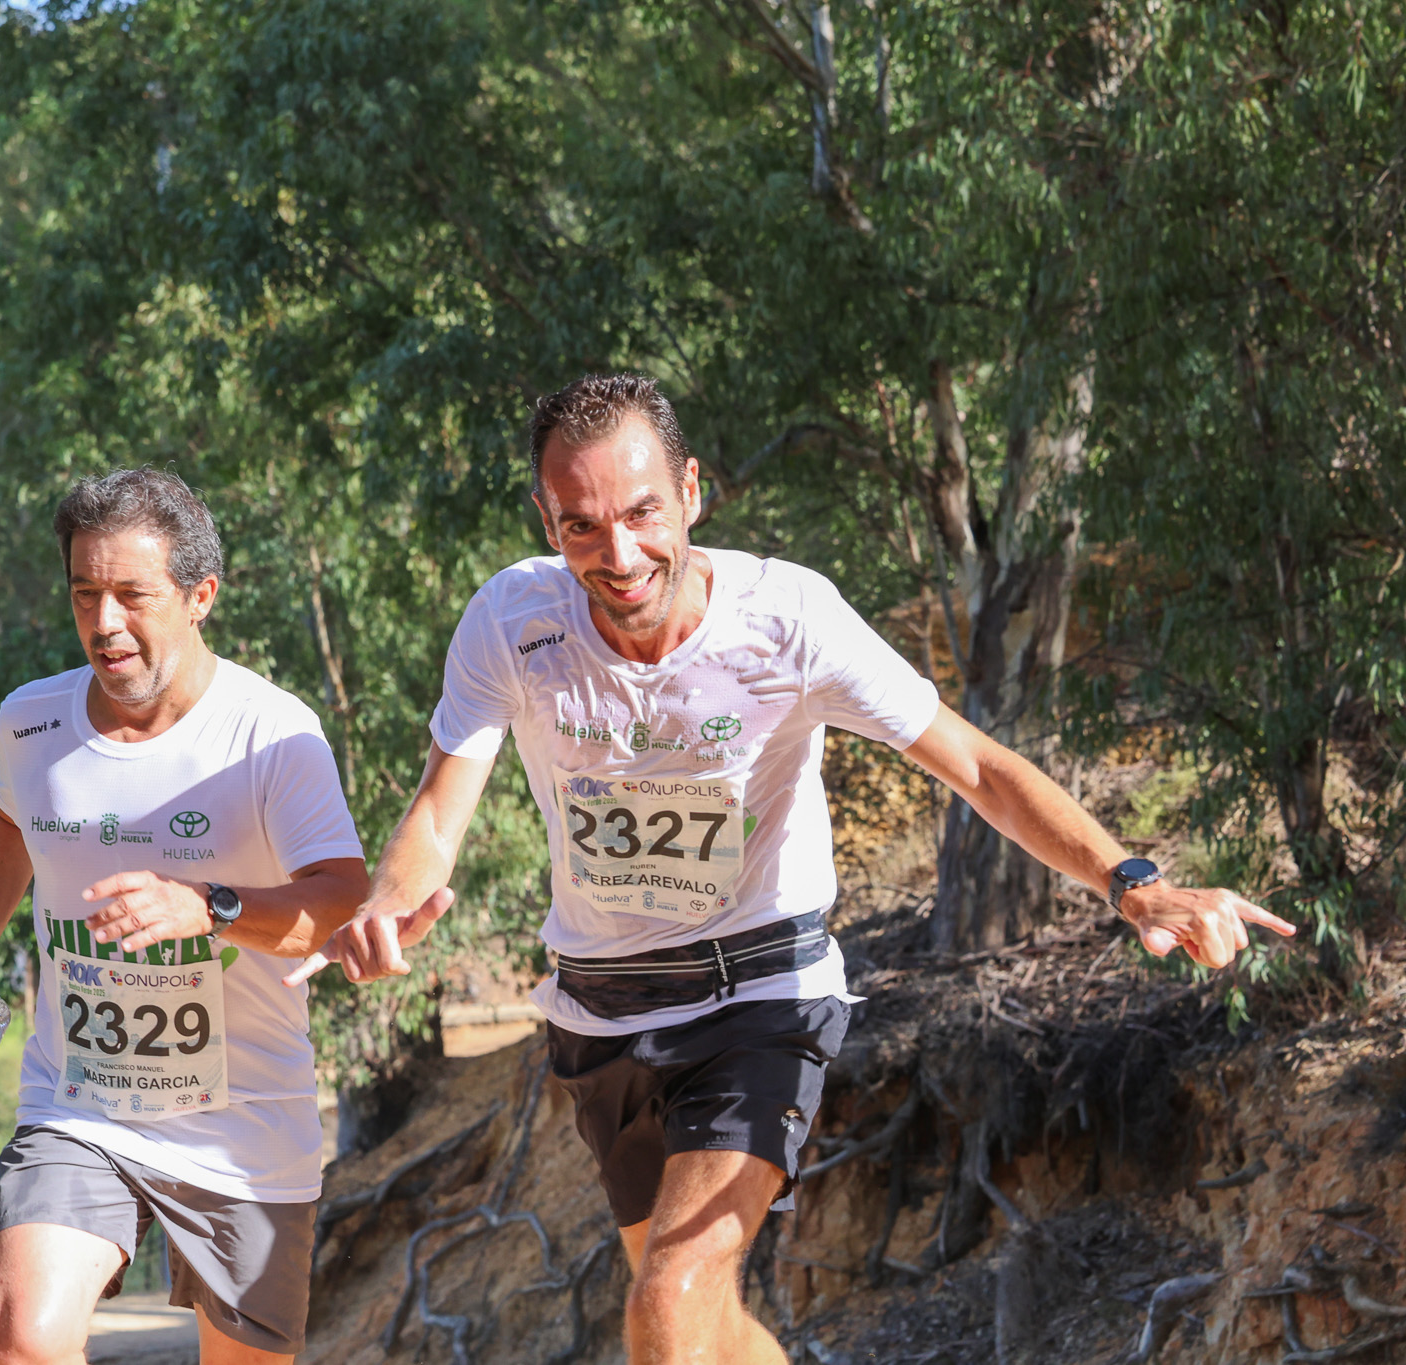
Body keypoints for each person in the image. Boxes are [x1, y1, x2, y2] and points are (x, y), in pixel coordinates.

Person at [287, 374, 1296, 1365]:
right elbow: (438, 808)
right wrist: (388, 900)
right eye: (580, 526)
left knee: (668, 1301)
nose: (619, 555)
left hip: (757, 995)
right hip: (599, 1012)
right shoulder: (513, 620)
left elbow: (979, 767)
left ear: (690, 491)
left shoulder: (787, 620)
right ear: (545, 520)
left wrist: (1131, 880)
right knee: (697, 1325)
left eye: (641, 513)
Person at [0, 468, 368, 1365]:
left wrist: (210, 907)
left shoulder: (270, 734)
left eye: (133, 594)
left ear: (201, 595)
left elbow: (338, 902)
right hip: (79, 1101)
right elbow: (7, 824)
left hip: (243, 1126)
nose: (104, 622)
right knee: (20, 1336)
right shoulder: (32, 723)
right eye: (84, 593)